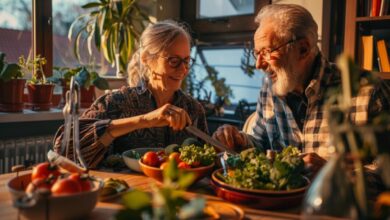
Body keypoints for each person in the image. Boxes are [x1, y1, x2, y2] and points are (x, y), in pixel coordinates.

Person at [212, 4, 390, 177]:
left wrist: (333, 174)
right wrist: (240, 141)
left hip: (337, 206)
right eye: (256, 53)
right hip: (278, 204)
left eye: (267, 52)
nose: (259, 64)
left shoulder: (368, 91)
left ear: (303, 49)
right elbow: (261, 144)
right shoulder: (270, 86)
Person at [53, 20, 208, 168]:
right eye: (173, 61)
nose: (183, 69)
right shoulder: (115, 103)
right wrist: (144, 120)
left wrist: (223, 141)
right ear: (146, 58)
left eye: (187, 61)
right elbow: (63, 151)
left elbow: (209, 160)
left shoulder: (194, 110)